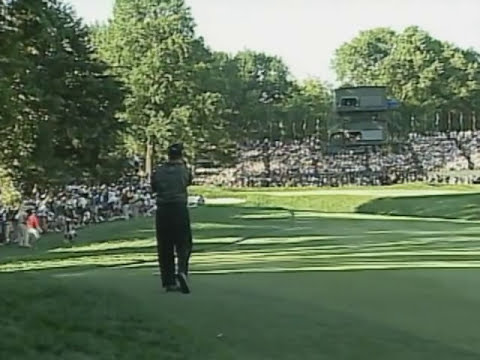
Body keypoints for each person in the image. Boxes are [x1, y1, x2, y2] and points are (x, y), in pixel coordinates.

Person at [151, 143, 193, 294]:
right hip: (179, 208)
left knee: (165, 247)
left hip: (163, 210)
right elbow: (188, 181)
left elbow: (154, 187)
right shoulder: (184, 170)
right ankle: (182, 270)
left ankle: (169, 282)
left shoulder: (159, 171)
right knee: (184, 243)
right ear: (181, 155)